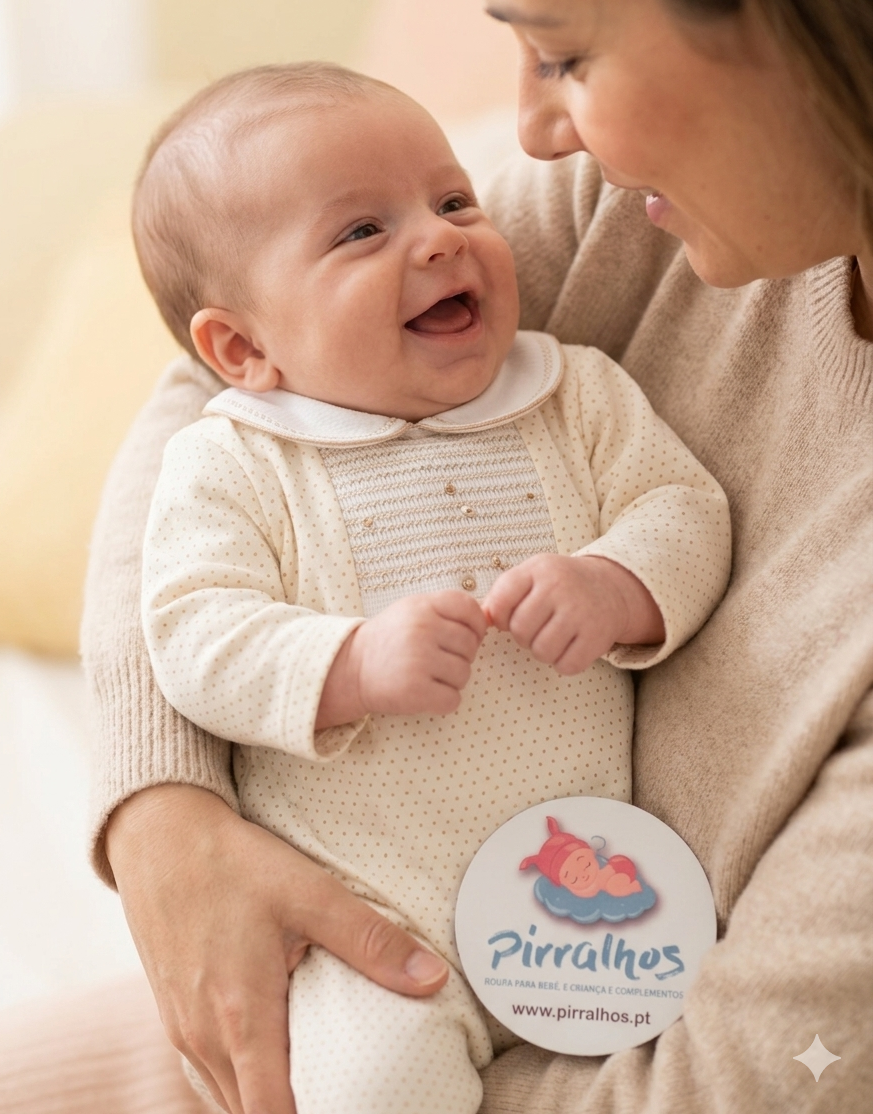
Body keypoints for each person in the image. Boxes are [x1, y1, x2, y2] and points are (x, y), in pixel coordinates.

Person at [0, 0, 870, 1112]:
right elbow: (222, 404)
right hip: (323, 980)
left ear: (808, 18)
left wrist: (619, 581)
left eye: (563, 55)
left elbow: (730, 1087)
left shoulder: (577, 384)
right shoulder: (635, 203)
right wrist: (165, 814)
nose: (534, 138)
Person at [133, 61, 729, 1113]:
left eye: (453, 200)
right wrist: (345, 662)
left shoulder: (568, 393)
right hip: (373, 917)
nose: (442, 237)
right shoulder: (232, 461)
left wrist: (614, 581)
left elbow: (682, 508)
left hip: (592, 894)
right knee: (371, 1086)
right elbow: (191, 631)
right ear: (241, 345)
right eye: (360, 232)